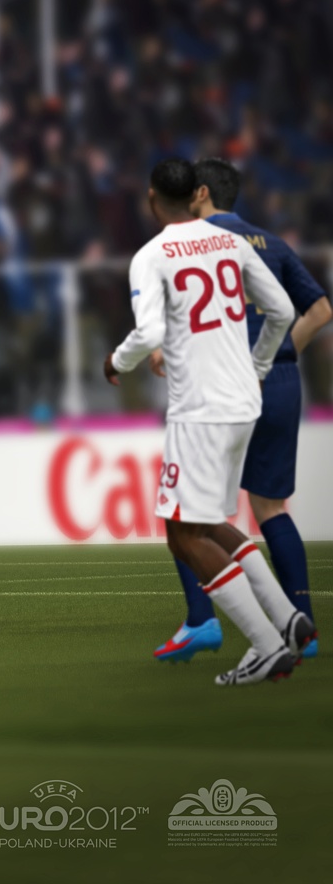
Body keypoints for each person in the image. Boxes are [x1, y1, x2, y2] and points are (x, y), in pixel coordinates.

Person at [102, 159, 308, 687]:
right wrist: (259, 366)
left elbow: (149, 334)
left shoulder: (151, 256)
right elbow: (282, 311)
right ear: (196, 194)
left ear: (152, 198)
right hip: (243, 402)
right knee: (208, 522)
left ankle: (266, 646)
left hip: (201, 409)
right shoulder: (230, 243)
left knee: (181, 535)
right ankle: (287, 618)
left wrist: (116, 362)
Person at [151, 158, 330, 663]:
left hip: (218, 388)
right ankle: (302, 627)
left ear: (200, 193)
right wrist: (273, 358)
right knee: (270, 508)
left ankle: (201, 620)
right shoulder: (272, 243)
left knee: (188, 512)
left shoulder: (192, 244)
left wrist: (163, 351)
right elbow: (320, 310)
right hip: (278, 383)